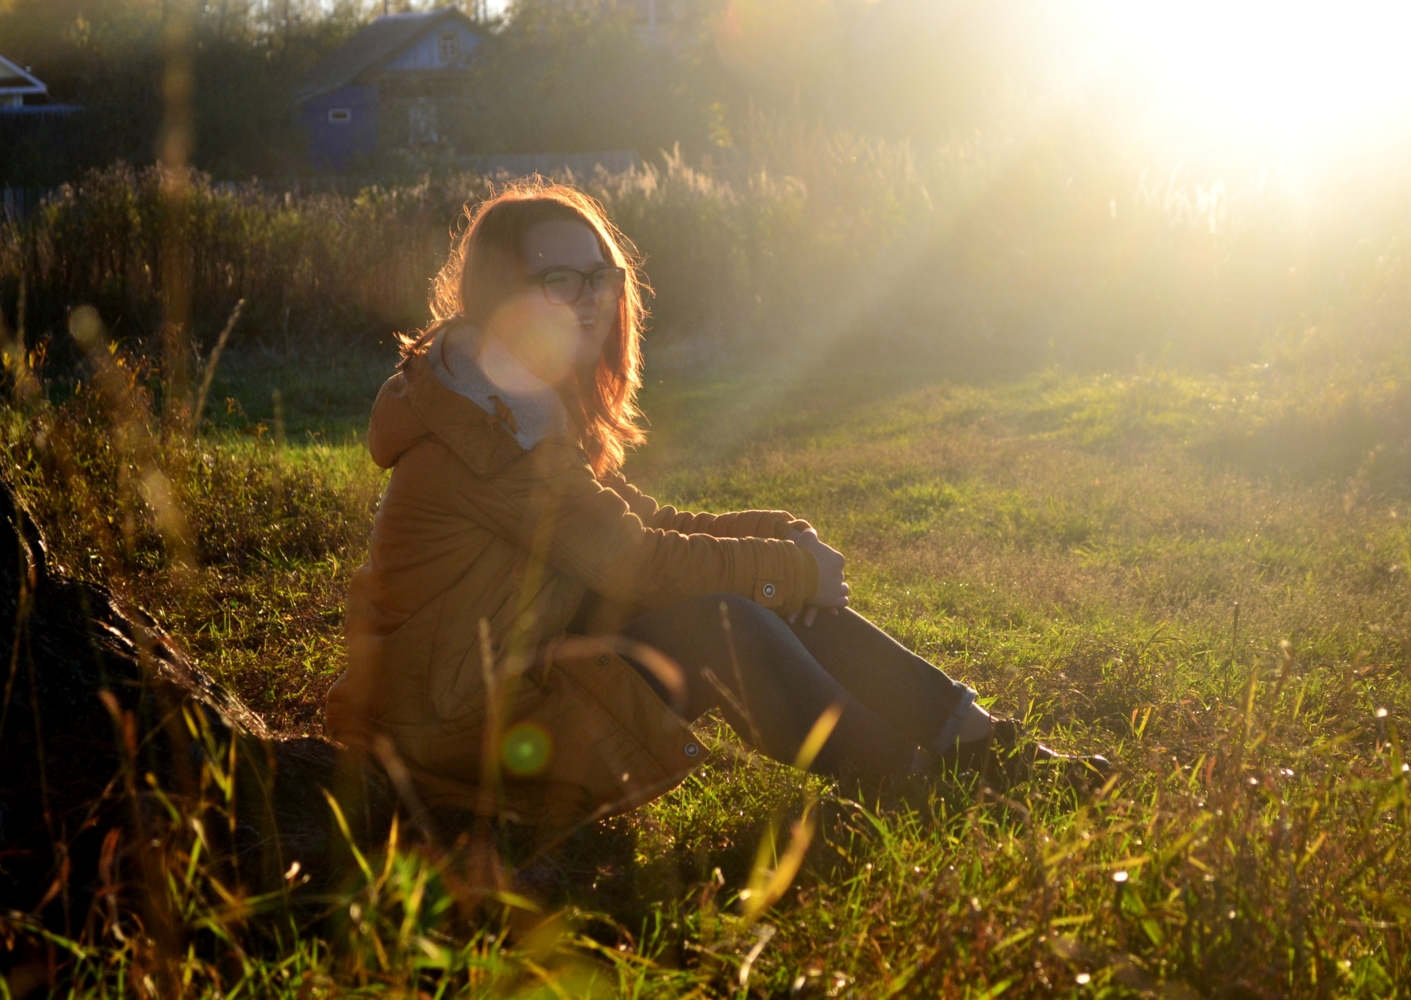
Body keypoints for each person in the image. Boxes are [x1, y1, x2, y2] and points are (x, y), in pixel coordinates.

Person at [325, 180, 1106, 835]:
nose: (592, 295)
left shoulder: (511, 401)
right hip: (447, 727)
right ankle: (917, 789)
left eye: (602, 274)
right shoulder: (488, 432)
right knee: (723, 622)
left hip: (502, 676)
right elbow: (636, 562)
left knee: (764, 591)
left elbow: (637, 523)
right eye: (560, 279)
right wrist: (784, 571)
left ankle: (991, 753)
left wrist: (775, 541)